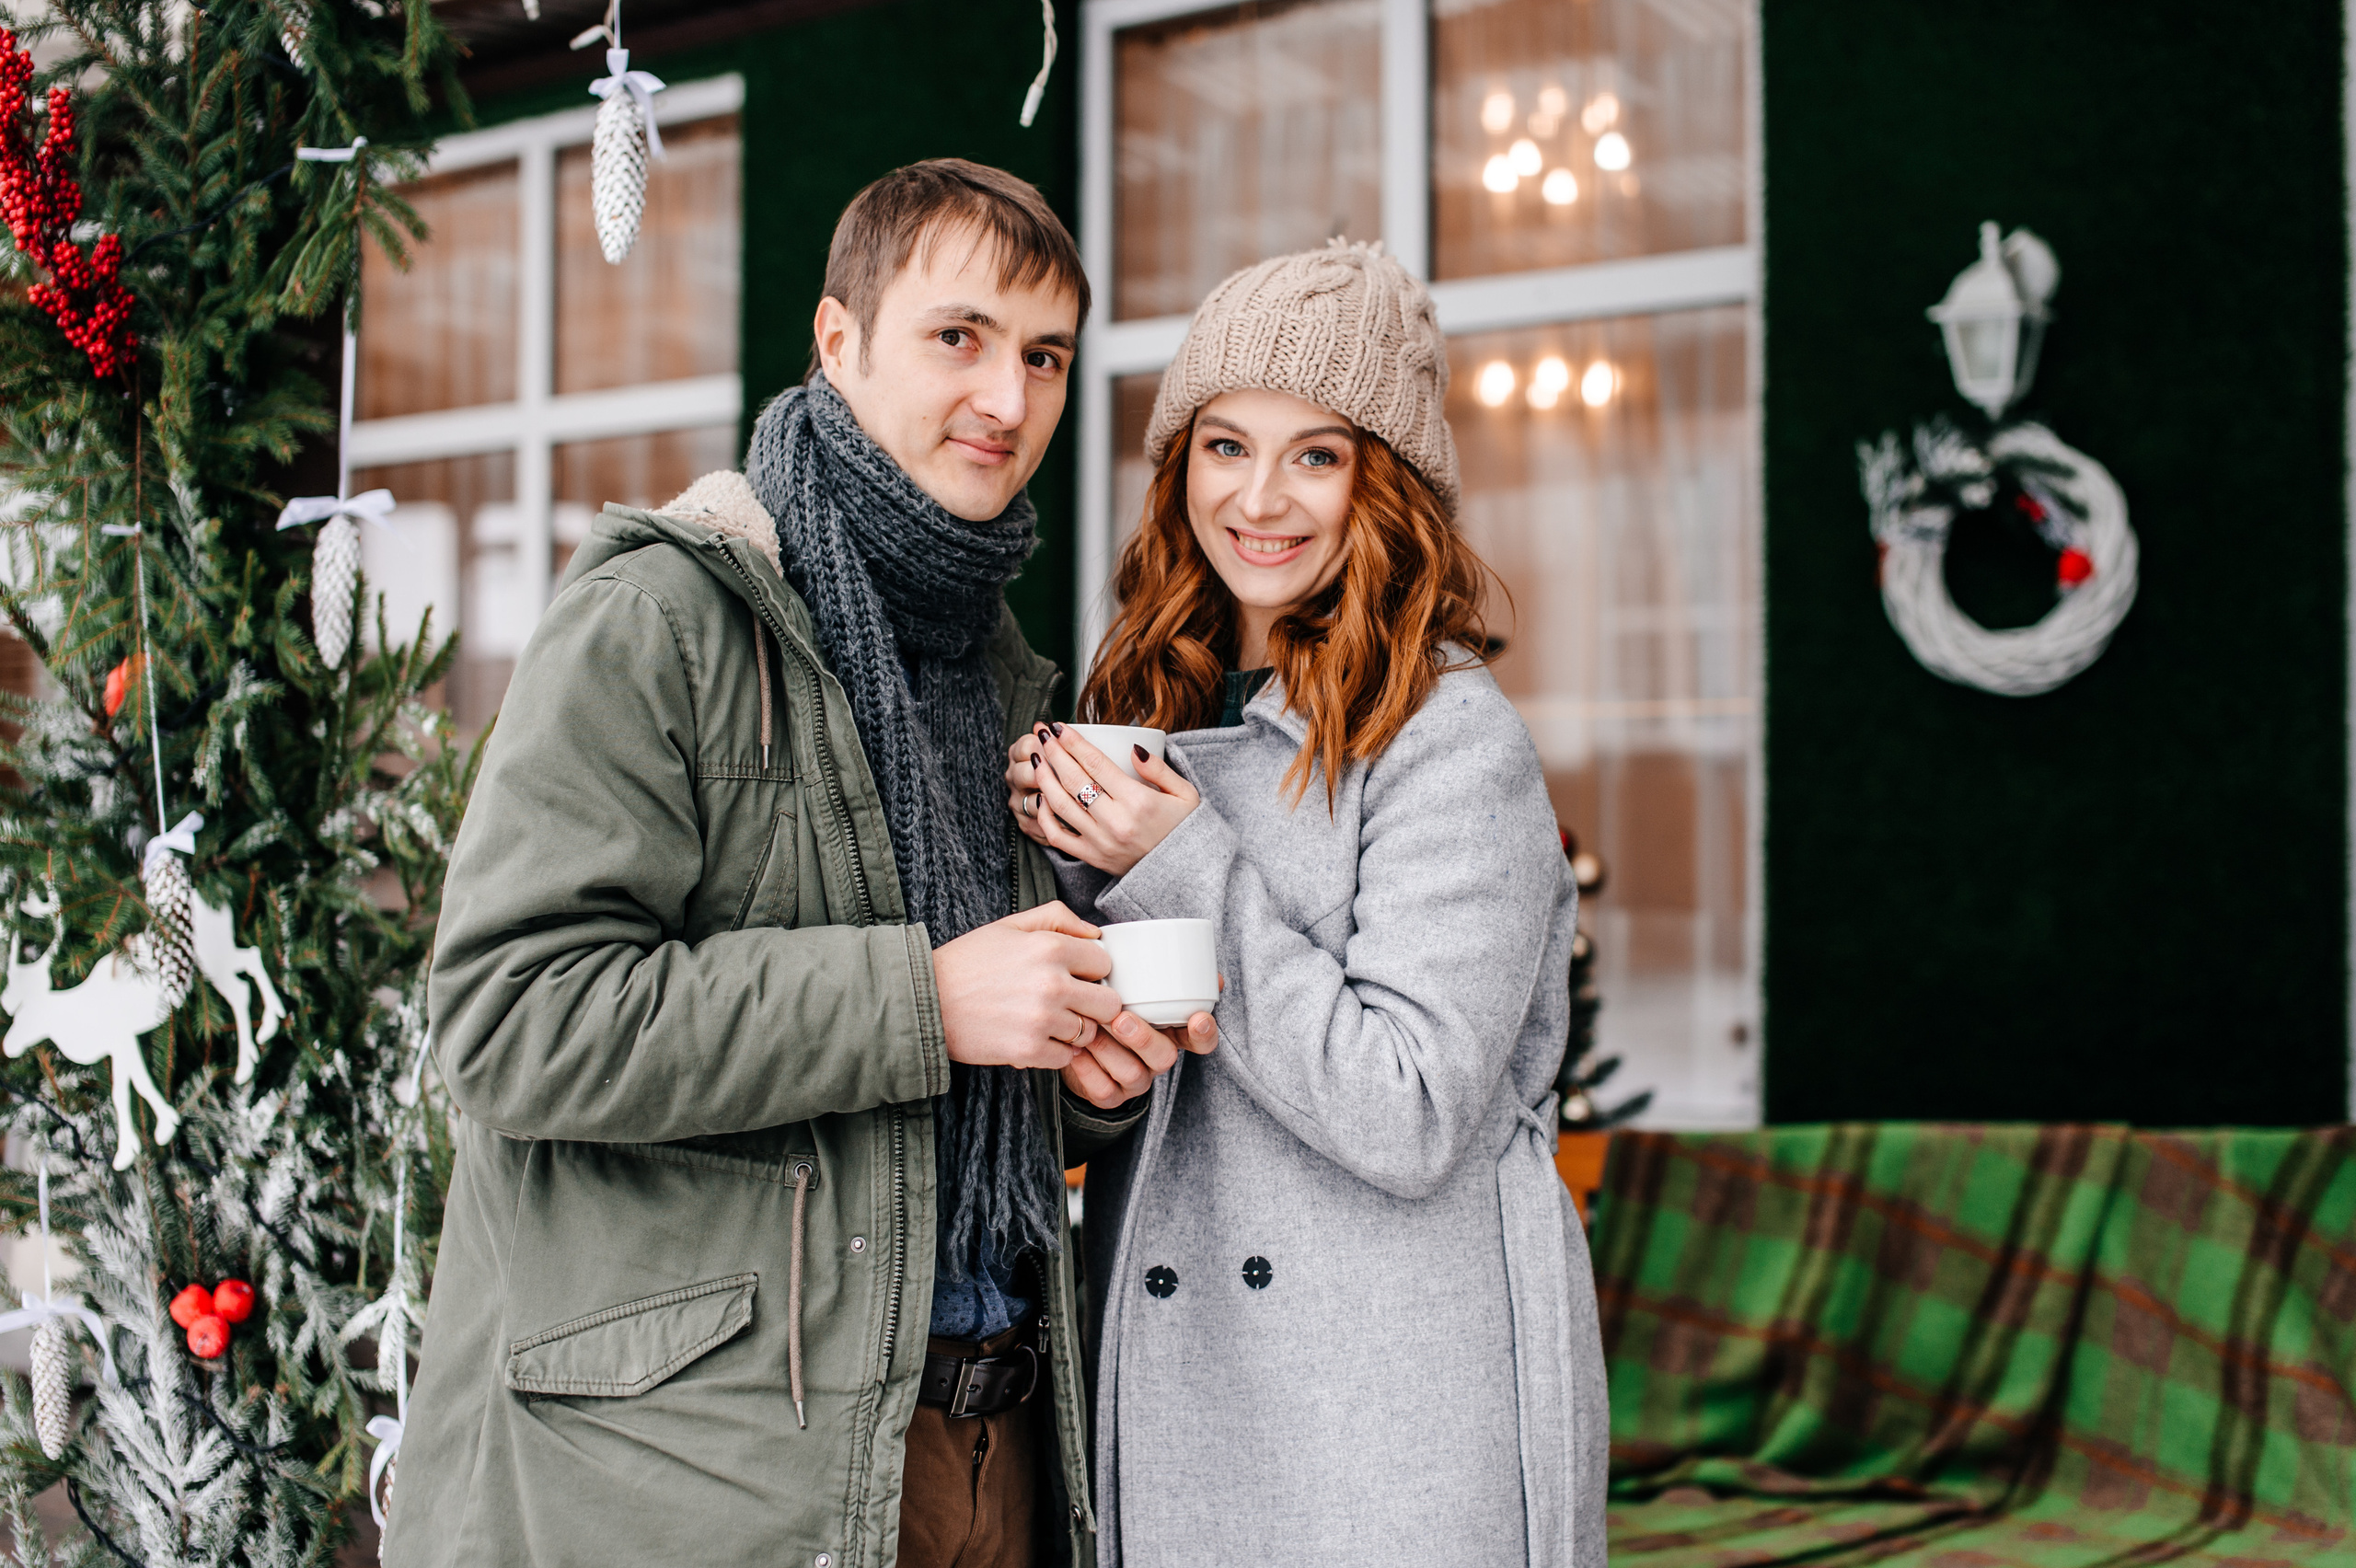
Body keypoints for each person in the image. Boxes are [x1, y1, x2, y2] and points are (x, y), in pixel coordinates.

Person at [387, 159, 1214, 1568]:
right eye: (959, 337)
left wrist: (1090, 1084)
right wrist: (925, 1003)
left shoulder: (1005, 673)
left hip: (992, 1437)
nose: (1008, 401)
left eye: (1045, 357)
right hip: (698, 1475)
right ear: (838, 343)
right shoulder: (666, 619)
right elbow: (510, 1022)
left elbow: (947, 1109)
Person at [1006, 241, 1608, 1568]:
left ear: (1382, 487)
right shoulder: (1154, 713)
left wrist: (1176, 856)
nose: (1259, 497)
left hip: (1390, 1405)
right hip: (1180, 1372)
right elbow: (1111, 1080)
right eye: (1224, 446)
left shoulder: (1454, 739)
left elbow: (1412, 1108)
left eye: (1316, 456)